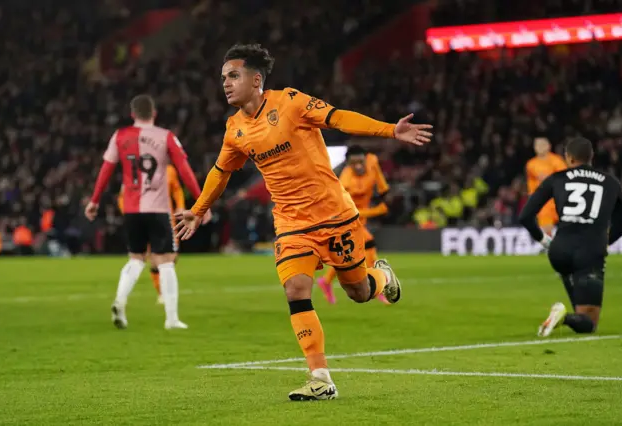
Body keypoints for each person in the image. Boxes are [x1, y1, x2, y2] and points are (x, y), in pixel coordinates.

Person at [175, 44, 432, 400]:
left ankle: (383, 275)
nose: (226, 84)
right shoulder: (235, 130)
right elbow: (221, 172)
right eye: (223, 78)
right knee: (296, 290)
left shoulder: (291, 102)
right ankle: (321, 378)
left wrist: (390, 131)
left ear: (256, 79)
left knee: (358, 292)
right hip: (291, 223)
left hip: (334, 214)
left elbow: (339, 117)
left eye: (233, 76)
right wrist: (199, 208)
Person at [85, 95, 206, 330]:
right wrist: (202, 202)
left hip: (131, 209)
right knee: (166, 261)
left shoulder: (119, 136)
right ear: (154, 113)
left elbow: (106, 169)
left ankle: (120, 301)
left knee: (136, 258)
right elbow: (184, 169)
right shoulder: (166, 136)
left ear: (132, 114)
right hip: (159, 209)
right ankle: (171, 319)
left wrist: (94, 200)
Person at [518, 137, 622, 337]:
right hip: (590, 252)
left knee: (576, 293)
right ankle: (564, 317)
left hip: (559, 251)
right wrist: (605, 242)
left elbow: (525, 216)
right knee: (589, 324)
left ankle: (568, 313)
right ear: (591, 157)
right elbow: (621, 226)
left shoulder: (557, 178)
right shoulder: (611, 183)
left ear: (568, 158)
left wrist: (545, 241)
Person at [317, 145, 390, 305]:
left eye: (360, 162)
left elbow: (379, 179)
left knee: (347, 257)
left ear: (366, 159)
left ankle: (326, 281)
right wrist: (377, 210)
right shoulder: (346, 182)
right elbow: (349, 211)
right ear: (348, 164)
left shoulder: (372, 160)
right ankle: (378, 287)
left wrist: (384, 190)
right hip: (347, 220)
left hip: (360, 221)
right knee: (368, 244)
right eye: (354, 163)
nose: (358, 166)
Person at [117, 164, 185, 305]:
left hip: (167, 218)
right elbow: (123, 196)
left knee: (172, 257)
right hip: (144, 219)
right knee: (153, 257)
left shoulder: (169, 170)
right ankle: (162, 294)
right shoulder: (136, 171)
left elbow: (177, 189)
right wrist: (128, 212)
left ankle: (162, 294)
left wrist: (180, 205)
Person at [525, 137, 567, 236]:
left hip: (558, 197)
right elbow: (533, 181)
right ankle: (550, 246)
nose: (539, 147)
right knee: (546, 226)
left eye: (542, 145)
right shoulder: (531, 164)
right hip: (543, 200)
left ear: (549, 146)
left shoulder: (557, 161)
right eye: (537, 145)